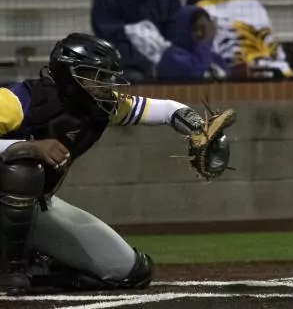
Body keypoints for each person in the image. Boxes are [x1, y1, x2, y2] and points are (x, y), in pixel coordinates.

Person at [0, 33, 235, 293]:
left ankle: (38, 266)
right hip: (9, 197)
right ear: (69, 74)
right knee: (23, 167)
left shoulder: (99, 107)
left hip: (31, 207)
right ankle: (11, 272)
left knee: (129, 272)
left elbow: (165, 110)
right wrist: (27, 146)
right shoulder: (18, 100)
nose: (106, 85)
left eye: (107, 77)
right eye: (97, 76)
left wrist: (196, 125)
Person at [122, 5, 228, 81]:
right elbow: (194, 73)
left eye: (204, 29)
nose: (200, 34)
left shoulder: (212, 57)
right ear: (183, 29)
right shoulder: (171, 56)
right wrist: (206, 41)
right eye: (195, 29)